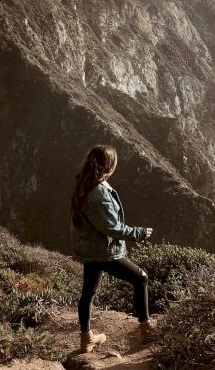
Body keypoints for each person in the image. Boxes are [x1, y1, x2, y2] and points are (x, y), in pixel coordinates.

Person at [70, 144, 154, 353]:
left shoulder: (86, 184)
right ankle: (146, 330)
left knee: (88, 293)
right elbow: (111, 228)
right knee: (141, 277)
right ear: (109, 165)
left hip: (91, 250)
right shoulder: (98, 193)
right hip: (103, 252)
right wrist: (140, 233)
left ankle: (86, 338)